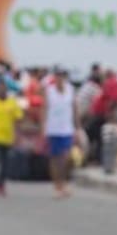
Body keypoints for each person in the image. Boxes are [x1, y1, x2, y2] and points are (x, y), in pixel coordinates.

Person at [43, 67, 77, 199]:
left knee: (67, 157)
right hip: (53, 129)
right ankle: (57, 185)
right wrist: (43, 127)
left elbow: (74, 108)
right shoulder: (49, 91)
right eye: (58, 76)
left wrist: (77, 126)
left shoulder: (70, 90)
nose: (60, 78)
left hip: (67, 128)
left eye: (62, 76)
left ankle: (64, 182)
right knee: (55, 159)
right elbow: (44, 109)